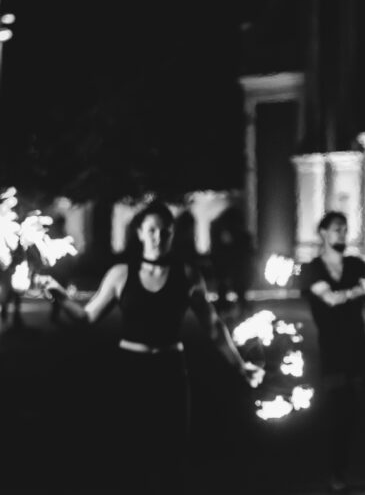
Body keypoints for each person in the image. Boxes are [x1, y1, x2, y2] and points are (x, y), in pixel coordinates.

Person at [37, 201, 265, 495]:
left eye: (165, 231)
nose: (158, 237)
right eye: (152, 230)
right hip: (131, 372)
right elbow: (87, 317)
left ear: (172, 234)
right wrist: (59, 295)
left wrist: (239, 365)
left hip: (171, 372)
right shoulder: (121, 274)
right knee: (132, 455)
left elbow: (213, 326)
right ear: (140, 233)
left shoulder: (187, 275)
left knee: (172, 454)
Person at [300, 211, 365, 492]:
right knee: (343, 412)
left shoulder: (355, 264)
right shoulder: (312, 269)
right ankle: (337, 471)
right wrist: (361, 289)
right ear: (323, 232)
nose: (342, 234)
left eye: (345, 229)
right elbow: (330, 299)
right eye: (337, 229)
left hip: (361, 346)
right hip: (334, 351)